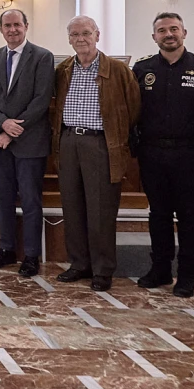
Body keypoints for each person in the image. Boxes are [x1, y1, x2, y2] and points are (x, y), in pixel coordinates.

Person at [132, 12, 194, 297]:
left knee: (190, 216)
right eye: (162, 30)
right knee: (158, 214)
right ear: (154, 36)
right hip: (152, 153)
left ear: (184, 32)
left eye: (174, 29)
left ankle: (187, 275)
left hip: (190, 154)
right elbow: (133, 111)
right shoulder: (142, 69)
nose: (168, 34)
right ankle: (160, 269)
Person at [50, 15, 140, 291]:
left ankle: (102, 270)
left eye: (86, 33)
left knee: (100, 209)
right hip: (68, 142)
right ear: (69, 39)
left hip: (100, 144)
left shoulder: (117, 70)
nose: (81, 39)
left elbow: (133, 108)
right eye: (75, 35)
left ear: (98, 35)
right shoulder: (64, 69)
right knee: (72, 206)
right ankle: (79, 264)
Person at [0, 9, 55, 277]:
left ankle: (31, 255)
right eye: (7, 25)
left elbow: (41, 100)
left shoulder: (42, 57)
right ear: (1, 29)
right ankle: (6, 249)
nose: (12, 30)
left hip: (28, 143)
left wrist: (11, 131)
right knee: (3, 199)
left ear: (26, 26)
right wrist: (1, 124)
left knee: (31, 200)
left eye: (17, 25)